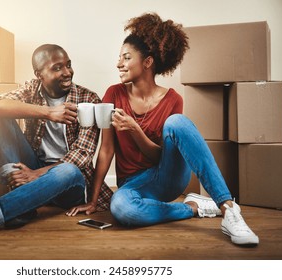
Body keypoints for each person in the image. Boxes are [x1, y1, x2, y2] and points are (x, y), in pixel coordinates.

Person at [66, 13, 259, 246]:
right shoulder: (114, 94)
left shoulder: (172, 99)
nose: (119, 64)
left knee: (177, 122)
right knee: (121, 207)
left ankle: (228, 209)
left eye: (126, 58)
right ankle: (193, 208)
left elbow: (159, 156)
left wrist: (135, 129)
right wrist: (94, 199)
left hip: (166, 176)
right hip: (132, 184)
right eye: (119, 58)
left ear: (147, 62)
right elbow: (106, 150)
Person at [0, 44, 113, 242]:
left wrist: (36, 174)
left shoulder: (88, 99)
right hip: (32, 167)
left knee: (68, 170)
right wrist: (49, 112)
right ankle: (20, 201)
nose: (67, 72)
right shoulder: (32, 89)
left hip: (68, 184)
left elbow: (83, 154)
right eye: (57, 68)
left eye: (68, 65)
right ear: (39, 75)